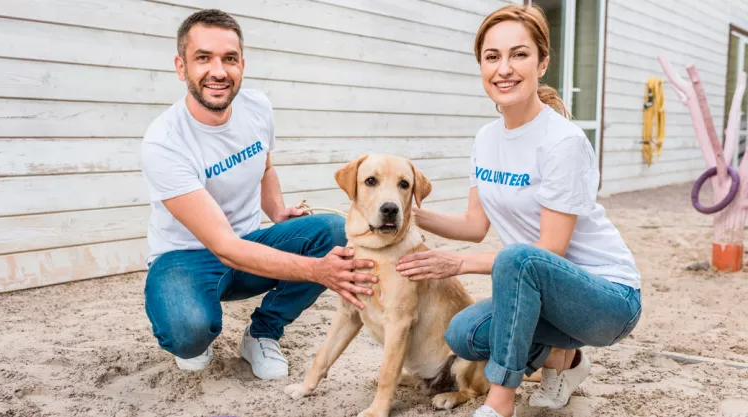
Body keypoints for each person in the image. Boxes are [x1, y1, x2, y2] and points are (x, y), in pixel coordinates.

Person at [395, 5, 642, 417]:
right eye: (492, 57)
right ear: (481, 66)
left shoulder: (563, 142)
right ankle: (568, 361)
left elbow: (549, 251)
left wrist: (456, 264)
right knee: (463, 334)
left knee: (518, 257)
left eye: (519, 54)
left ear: (543, 63)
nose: (504, 68)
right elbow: (475, 225)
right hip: (536, 288)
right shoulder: (486, 138)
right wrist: (403, 212)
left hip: (608, 300)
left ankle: (500, 401)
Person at [139, 9, 377, 381]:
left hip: (247, 243)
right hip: (184, 258)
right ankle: (197, 336)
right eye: (203, 58)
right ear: (181, 66)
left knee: (333, 232)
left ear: (242, 64)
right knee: (188, 333)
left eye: (229, 58)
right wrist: (318, 271)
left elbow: (264, 167)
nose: (218, 71)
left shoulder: (256, 108)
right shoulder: (164, 142)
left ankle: (261, 334)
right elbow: (224, 247)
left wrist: (278, 211)